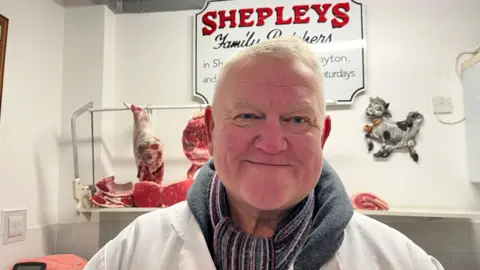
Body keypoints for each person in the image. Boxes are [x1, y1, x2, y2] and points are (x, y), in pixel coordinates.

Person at [84, 36, 444, 270]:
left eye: (298, 119)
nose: (272, 143)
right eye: (246, 116)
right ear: (210, 130)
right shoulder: (133, 252)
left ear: (323, 136)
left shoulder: (397, 260)